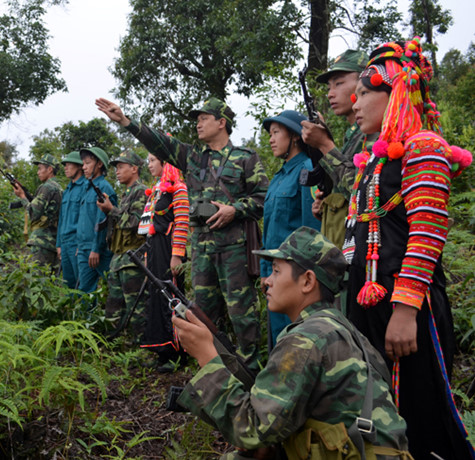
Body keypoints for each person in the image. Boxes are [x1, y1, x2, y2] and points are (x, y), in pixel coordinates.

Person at [172, 227, 412, 459]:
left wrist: (206, 356)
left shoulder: (306, 340)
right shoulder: (340, 327)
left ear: (308, 281)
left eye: (276, 271)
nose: (266, 281)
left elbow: (251, 431)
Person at [344, 38, 474, 460]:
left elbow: (428, 231)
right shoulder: (374, 162)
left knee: (417, 412)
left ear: (396, 91)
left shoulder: (424, 147)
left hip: (407, 309)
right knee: (375, 407)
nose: (354, 101)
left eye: (364, 93)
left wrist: (403, 310)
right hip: (367, 302)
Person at [97, 97, 268, 371]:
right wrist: (125, 121)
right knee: (202, 314)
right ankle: (213, 370)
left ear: (222, 122)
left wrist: (234, 210)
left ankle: (250, 370)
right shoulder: (194, 157)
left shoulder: (245, 158)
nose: (198, 123)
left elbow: (263, 199)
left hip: (234, 249)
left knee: (242, 313)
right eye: (197, 119)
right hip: (202, 251)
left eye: (204, 118)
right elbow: (160, 143)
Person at [301, 49, 375, 249]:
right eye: (329, 86)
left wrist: (325, 144)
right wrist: (326, 204)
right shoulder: (352, 135)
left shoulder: (375, 134)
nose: (330, 93)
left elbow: (364, 191)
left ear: (364, 82)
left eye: (339, 83)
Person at [260, 110, 320, 349]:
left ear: (295, 136)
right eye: (270, 134)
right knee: (278, 338)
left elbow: (311, 228)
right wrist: (267, 272)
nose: (271, 139)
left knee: (297, 340)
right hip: (275, 274)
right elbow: (270, 231)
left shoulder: (308, 169)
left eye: (276, 132)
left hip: (296, 275)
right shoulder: (278, 177)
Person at [139, 153, 189, 372]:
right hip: (155, 249)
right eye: (148, 160)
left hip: (169, 249)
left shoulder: (178, 188)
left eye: (152, 160)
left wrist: (177, 254)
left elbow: (182, 221)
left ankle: (178, 352)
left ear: (165, 162)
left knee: (171, 295)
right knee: (156, 295)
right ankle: (161, 349)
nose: (149, 164)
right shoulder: (157, 189)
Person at [96, 151, 147, 336]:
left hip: (133, 259)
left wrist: (112, 210)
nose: (117, 171)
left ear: (134, 169)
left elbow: (136, 223)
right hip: (119, 259)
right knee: (114, 306)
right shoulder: (127, 193)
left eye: (121, 167)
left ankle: (141, 346)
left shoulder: (141, 191)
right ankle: (116, 345)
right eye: (116, 168)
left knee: (136, 307)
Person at [75, 146, 117, 295]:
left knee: (111, 287)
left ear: (99, 164)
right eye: (83, 164)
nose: (84, 167)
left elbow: (103, 222)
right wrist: (81, 245)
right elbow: (84, 220)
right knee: (84, 292)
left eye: (87, 163)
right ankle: (86, 318)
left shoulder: (104, 187)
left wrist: (95, 248)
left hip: (99, 250)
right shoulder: (87, 188)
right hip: (84, 248)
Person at [12, 154, 62, 269]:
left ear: (50, 169)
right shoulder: (59, 188)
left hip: (41, 242)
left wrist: (22, 197)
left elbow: (33, 214)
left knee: (37, 281)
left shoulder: (47, 187)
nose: (38, 172)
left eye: (40, 168)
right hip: (52, 243)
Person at [56, 151, 86, 289]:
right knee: (68, 284)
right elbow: (61, 219)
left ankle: (86, 311)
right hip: (65, 243)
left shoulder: (85, 187)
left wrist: (81, 244)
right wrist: (59, 244)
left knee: (82, 283)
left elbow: (86, 220)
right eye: (65, 165)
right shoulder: (67, 190)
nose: (65, 168)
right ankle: (71, 310)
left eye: (69, 164)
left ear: (79, 166)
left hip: (76, 243)